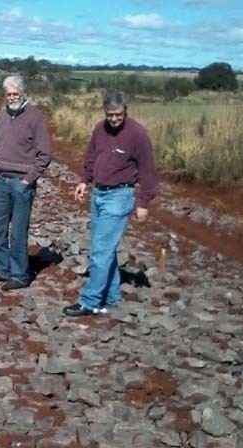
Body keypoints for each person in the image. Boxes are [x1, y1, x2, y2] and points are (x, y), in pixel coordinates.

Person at [64, 90, 158, 316]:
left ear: (126, 111)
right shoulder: (99, 129)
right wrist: (84, 181)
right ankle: (113, 295)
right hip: (99, 194)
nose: (114, 119)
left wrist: (143, 202)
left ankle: (91, 301)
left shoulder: (138, 135)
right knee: (103, 249)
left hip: (119, 196)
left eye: (118, 114)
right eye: (110, 115)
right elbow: (90, 156)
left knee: (101, 252)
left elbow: (148, 172)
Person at [0, 74, 52, 290]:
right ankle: (3, 270)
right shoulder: (3, 116)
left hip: (21, 183)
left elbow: (45, 154)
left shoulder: (35, 117)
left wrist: (27, 180)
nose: (12, 97)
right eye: (9, 94)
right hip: (1, 181)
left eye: (16, 93)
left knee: (18, 232)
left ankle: (20, 275)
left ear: (23, 93)